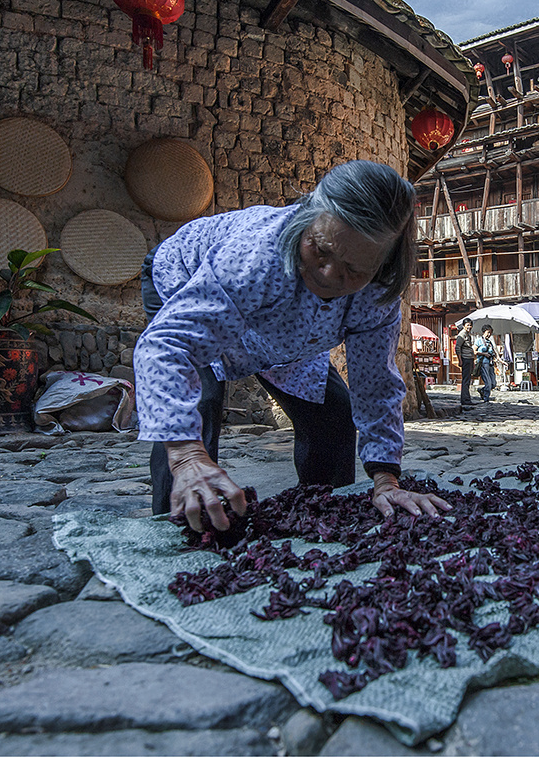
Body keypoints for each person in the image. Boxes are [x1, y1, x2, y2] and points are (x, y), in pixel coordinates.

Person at [136, 160, 451, 532]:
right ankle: (178, 528)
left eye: (354, 271)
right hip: (185, 280)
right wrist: (187, 455)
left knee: (333, 412)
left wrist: (386, 479)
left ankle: (327, 516)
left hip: (286, 325)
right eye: (319, 250)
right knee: (197, 405)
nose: (329, 275)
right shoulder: (256, 255)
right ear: (307, 220)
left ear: (381, 266)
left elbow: (375, 385)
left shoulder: (377, 295)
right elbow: (168, 347)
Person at [473, 324, 497, 402]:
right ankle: (486, 399)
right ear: (484, 332)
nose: (489, 334)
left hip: (490, 364)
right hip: (483, 363)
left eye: (490, 333)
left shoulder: (490, 342)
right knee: (488, 382)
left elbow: (494, 352)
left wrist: (500, 360)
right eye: (488, 332)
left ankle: (482, 390)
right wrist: (483, 354)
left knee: (493, 383)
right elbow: (473, 351)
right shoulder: (479, 340)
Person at [455, 318, 476, 406]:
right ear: (464, 326)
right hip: (465, 358)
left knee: (468, 379)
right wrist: (460, 360)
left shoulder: (468, 335)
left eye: (470, 325)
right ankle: (465, 400)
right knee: (466, 380)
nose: (469, 327)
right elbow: (457, 348)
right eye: (467, 325)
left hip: (469, 358)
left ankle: (467, 398)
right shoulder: (462, 334)